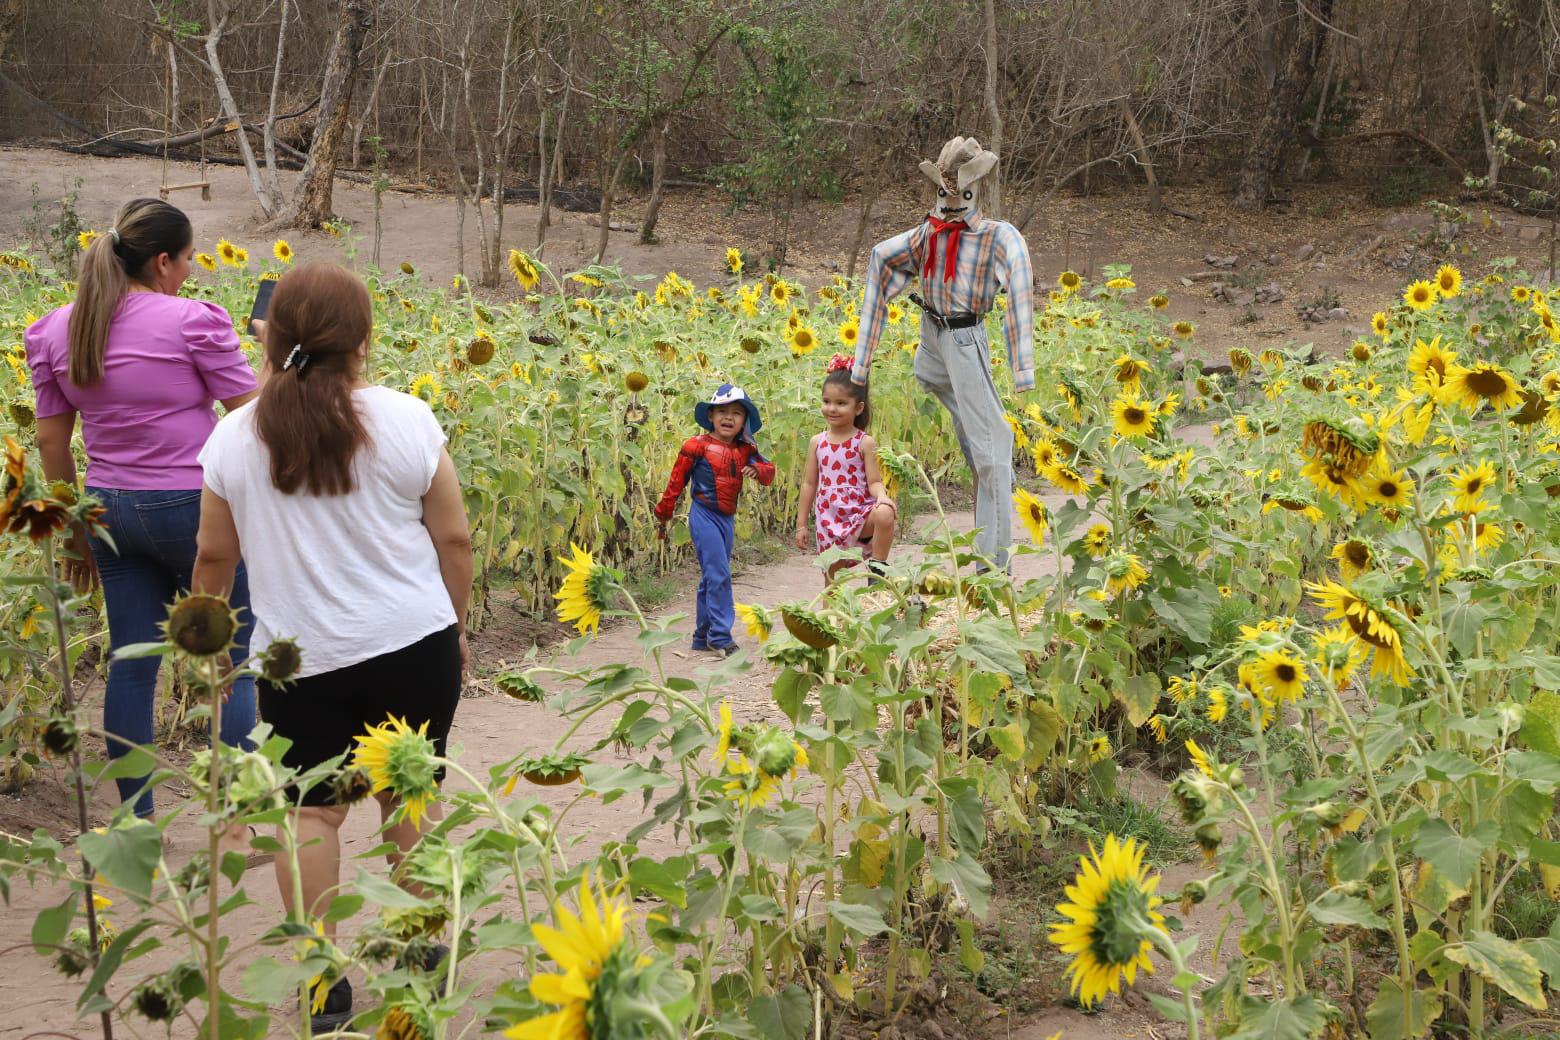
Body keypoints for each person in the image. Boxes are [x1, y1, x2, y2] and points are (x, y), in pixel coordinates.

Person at [192, 262, 473, 1030]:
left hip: (299, 660)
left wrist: (214, 652)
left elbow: (215, 560)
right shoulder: (405, 417)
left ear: (272, 335)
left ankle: (324, 983)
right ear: (363, 340)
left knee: (310, 816)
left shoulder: (234, 436)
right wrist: (456, 627)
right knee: (408, 797)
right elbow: (453, 534)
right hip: (412, 641)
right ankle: (421, 954)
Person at [24, 197, 259, 819]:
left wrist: (74, 528)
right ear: (161, 261)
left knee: (131, 665)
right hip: (191, 505)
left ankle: (137, 822)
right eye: (185, 261)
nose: (189, 273)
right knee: (234, 656)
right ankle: (237, 820)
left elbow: (52, 442)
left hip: (107, 511)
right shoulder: (191, 321)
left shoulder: (56, 329)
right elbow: (250, 415)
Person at [849, 136, 1035, 573]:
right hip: (935, 341)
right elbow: (881, 259)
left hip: (965, 338)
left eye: (961, 193)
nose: (951, 203)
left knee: (991, 447)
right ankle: (993, 562)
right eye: (945, 191)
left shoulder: (996, 237)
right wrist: (862, 360)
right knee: (994, 449)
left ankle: (992, 566)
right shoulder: (927, 234)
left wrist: (1021, 367)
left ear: (978, 192)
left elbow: (1021, 290)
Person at [653, 384, 775, 655]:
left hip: (727, 518)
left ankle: (701, 635)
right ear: (711, 416)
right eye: (721, 411)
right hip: (703, 514)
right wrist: (664, 513)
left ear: (744, 421)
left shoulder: (746, 449)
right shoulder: (696, 446)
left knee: (712, 576)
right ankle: (720, 637)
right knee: (719, 573)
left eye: (736, 413)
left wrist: (756, 469)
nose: (728, 417)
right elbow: (676, 482)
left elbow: (769, 471)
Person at [795, 355, 897, 582]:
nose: (832, 408)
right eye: (826, 401)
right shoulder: (817, 442)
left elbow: (873, 481)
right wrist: (801, 524)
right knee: (833, 584)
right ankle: (831, 618)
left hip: (858, 514)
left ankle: (877, 570)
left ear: (858, 407)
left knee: (885, 513)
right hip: (829, 519)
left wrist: (882, 497)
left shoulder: (864, 442)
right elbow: (809, 484)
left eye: (841, 403)